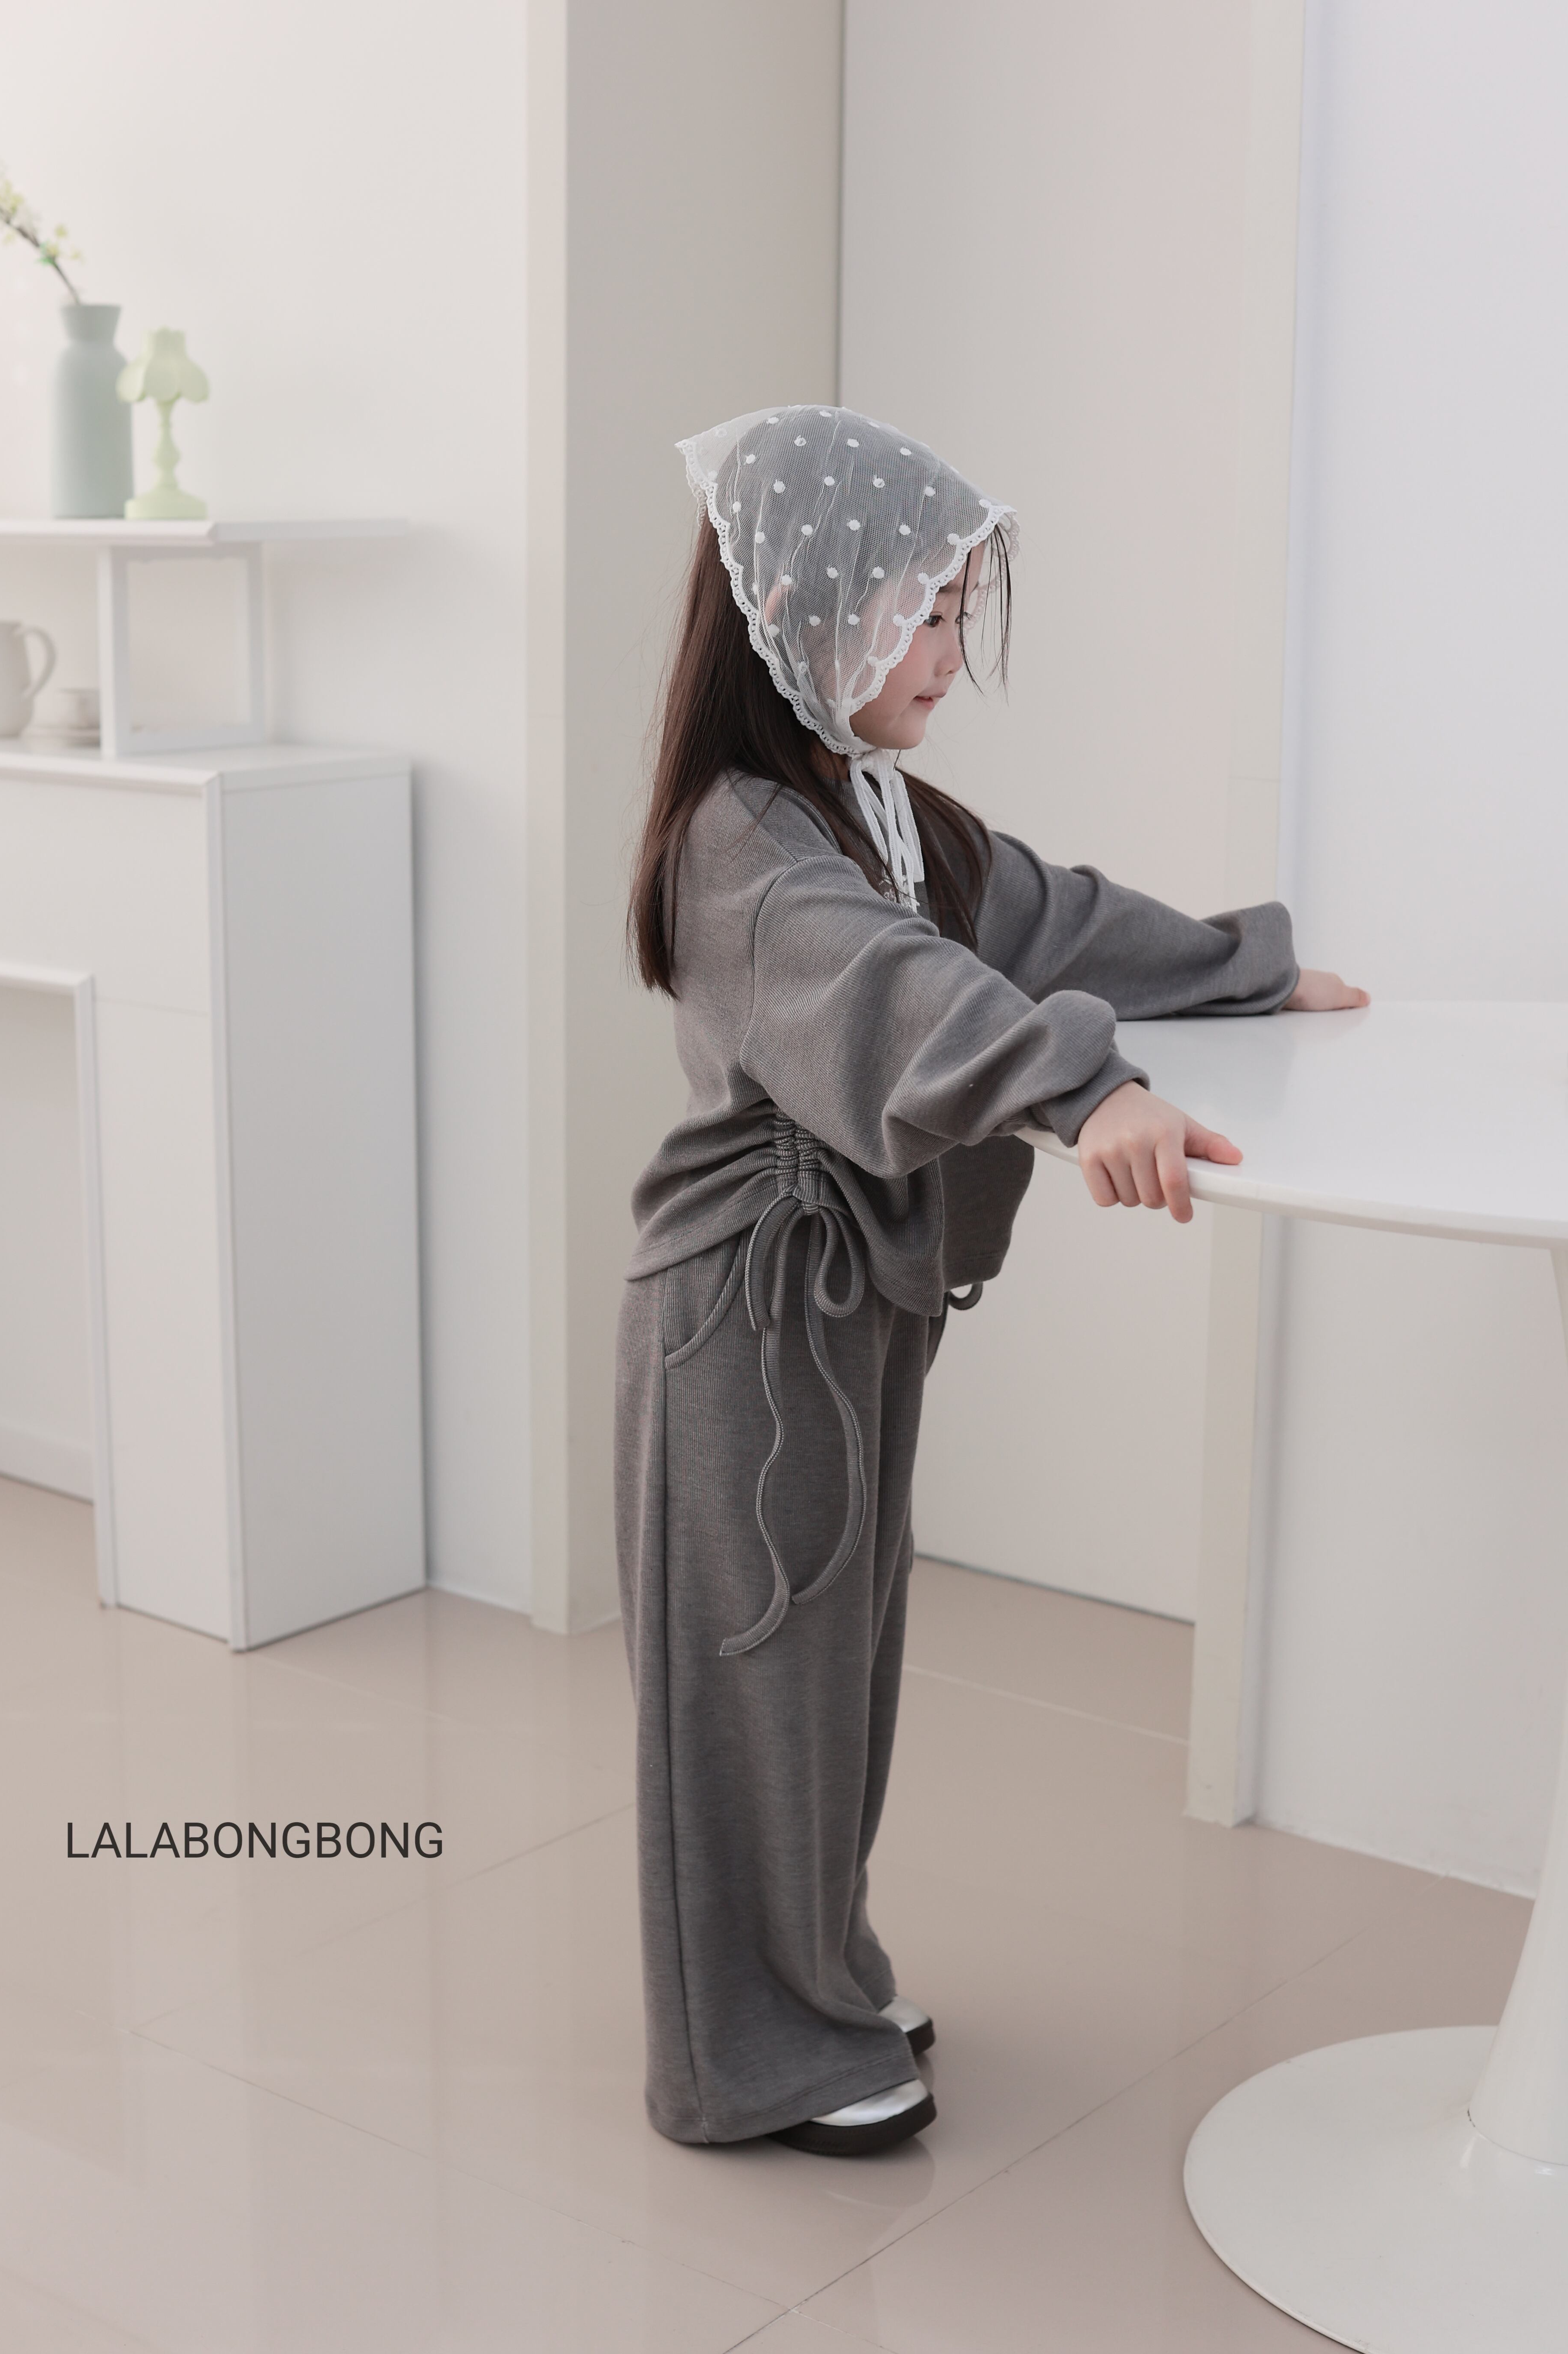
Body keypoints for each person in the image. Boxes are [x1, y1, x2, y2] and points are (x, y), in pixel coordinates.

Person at [617, 404, 1365, 2160]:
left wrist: (1245, 971)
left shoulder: (879, 812)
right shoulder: (745, 842)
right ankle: (749, 2057)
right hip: (746, 1317)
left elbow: (1049, 919)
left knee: (837, 1677)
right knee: (755, 1685)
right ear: (805, 611)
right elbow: (902, 993)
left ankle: (817, 1981)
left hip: (851, 1305)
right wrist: (1089, 1091)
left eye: (958, 614)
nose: (952, 653)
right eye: (926, 614)